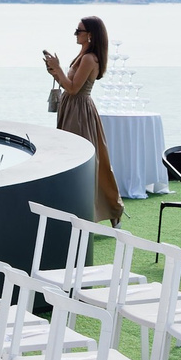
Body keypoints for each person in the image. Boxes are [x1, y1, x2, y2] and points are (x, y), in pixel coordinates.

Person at [44, 14, 124, 224]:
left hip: (79, 112)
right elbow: (68, 84)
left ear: (89, 34)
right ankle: (80, 207)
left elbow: (72, 88)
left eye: (78, 31)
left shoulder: (89, 59)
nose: (75, 34)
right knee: (77, 159)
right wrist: (55, 70)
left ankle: (110, 209)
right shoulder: (82, 55)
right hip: (71, 107)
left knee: (83, 161)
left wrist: (58, 69)